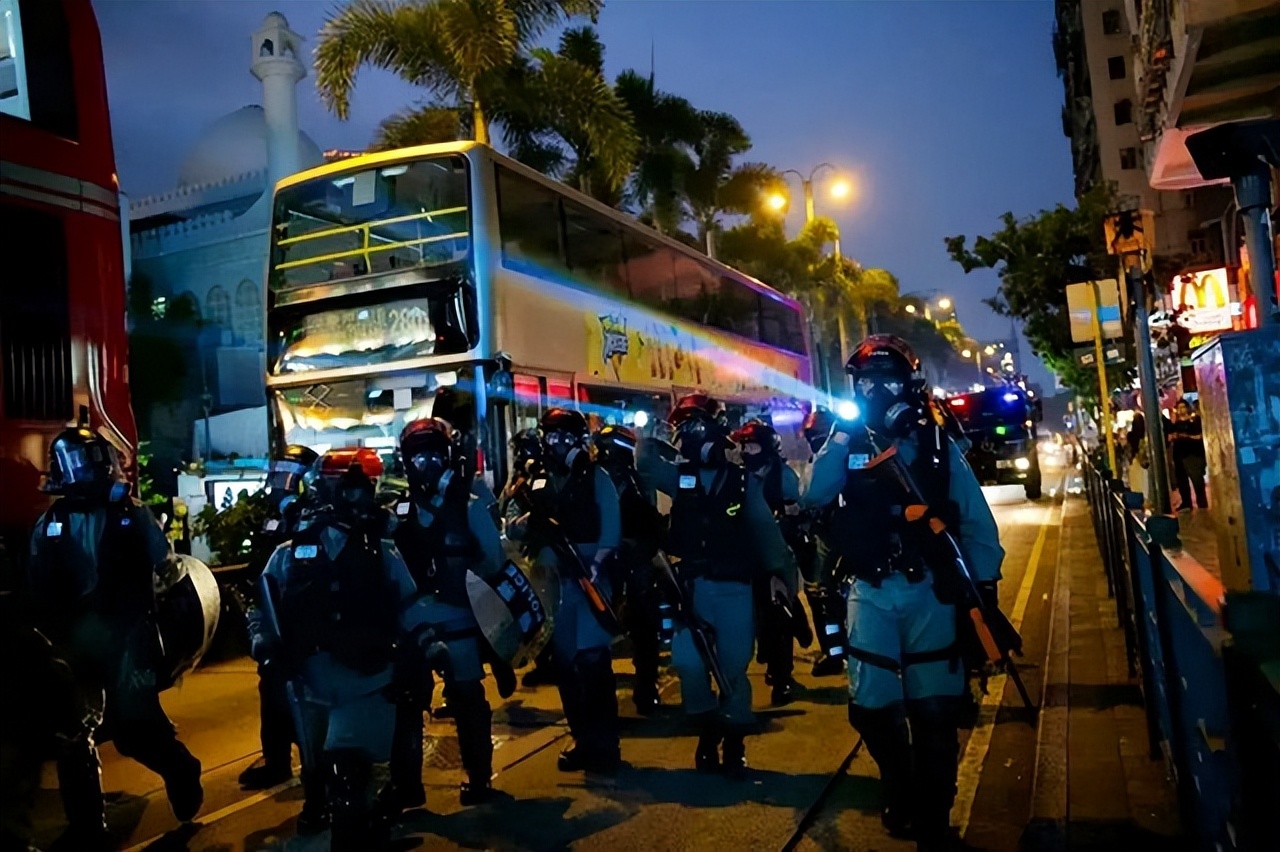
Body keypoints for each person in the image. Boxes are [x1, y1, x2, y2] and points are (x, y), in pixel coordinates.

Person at [803, 335, 1005, 851]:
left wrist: (984, 589)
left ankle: (934, 819)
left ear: (910, 386)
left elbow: (976, 521)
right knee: (871, 707)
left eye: (886, 382)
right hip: (869, 590)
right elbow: (815, 494)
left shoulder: (937, 445)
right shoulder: (846, 441)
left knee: (935, 710)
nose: (874, 392)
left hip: (929, 590)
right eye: (865, 383)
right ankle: (898, 790)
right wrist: (844, 438)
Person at [27, 425, 203, 851]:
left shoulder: (132, 513)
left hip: (127, 636)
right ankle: (88, 825)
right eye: (77, 463)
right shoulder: (50, 522)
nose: (85, 471)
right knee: (73, 735)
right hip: (76, 641)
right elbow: (37, 584)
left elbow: (168, 568)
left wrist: (160, 629)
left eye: (91, 460)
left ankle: (181, 771)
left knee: (134, 730)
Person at [252, 448, 433, 851]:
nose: (351, 498)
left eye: (358, 487)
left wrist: (426, 648)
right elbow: (264, 605)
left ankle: (362, 829)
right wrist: (264, 643)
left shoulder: (380, 549)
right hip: (309, 680)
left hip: (366, 679)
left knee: (350, 770)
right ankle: (347, 817)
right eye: (342, 486)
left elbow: (409, 605)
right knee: (320, 771)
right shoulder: (292, 551)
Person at [650, 394, 796, 778]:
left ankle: (734, 742)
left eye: (697, 427)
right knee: (687, 662)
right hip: (692, 589)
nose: (691, 437)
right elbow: (644, 460)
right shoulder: (680, 477)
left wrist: (781, 577)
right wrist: (661, 435)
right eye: (686, 430)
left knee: (732, 667)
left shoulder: (742, 481)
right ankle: (706, 731)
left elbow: (767, 536)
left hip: (734, 588)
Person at [380, 418, 506, 814]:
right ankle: (406, 785)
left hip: (460, 621)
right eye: (419, 455)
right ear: (406, 461)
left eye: (435, 453)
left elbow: (494, 561)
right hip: (413, 624)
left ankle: (479, 776)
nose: (427, 463)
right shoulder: (396, 511)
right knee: (406, 702)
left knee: (468, 698)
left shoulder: (469, 506)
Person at [505, 408, 623, 773]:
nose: (555, 444)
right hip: (549, 580)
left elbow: (611, 528)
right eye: (550, 436)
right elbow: (510, 526)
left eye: (563, 436)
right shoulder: (532, 480)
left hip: (587, 577)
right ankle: (581, 737)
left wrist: (595, 565)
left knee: (593, 662)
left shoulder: (596, 477)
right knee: (567, 665)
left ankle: (605, 743)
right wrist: (527, 521)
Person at [239, 444, 319, 791]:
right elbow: (261, 568)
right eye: (279, 473)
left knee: (309, 693)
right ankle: (277, 762)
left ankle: (319, 766)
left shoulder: (317, 516)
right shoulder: (273, 519)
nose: (281, 483)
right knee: (271, 690)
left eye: (290, 475)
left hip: (309, 621)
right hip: (276, 615)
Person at [731, 418, 807, 706]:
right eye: (744, 446)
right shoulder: (736, 477)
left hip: (776, 557)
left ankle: (782, 676)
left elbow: (796, 511)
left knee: (779, 614)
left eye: (752, 445)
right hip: (744, 557)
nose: (747, 451)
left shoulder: (782, 475)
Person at [593, 423, 666, 715]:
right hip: (608, 562)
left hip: (628, 562)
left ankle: (645, 689)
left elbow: (646, 522)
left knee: (642, 627)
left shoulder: (628, 480)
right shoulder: (602, 478)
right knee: (635, 629)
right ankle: (642, 690)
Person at [800, 406, 847, 678]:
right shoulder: (815, 461)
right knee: (823, 598)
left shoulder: (848, 454)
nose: (816, 440)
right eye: (812, 435)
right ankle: (834, 654)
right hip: (827, 536)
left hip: (855, 536)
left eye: (819, 435)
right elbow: (807, 495)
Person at [1168, 398, 1208, 511]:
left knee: (1197, 481)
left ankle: (1202, 503)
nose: (1181, 410)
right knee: (1182, 481)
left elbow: (1199, 436)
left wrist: (1185, 436)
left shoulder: (1194, 421)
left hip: (1192, 455)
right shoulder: (1176, 424)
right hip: (1179, 455)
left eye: (1183, 407)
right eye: (1179, 408)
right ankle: (1186, 502)